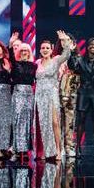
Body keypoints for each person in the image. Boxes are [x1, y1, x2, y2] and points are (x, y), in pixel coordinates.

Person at [35, 31, 73, 161]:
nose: (45, 50)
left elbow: (66, 55)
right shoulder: (37, 63)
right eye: (43, 48)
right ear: (40, 50)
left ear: (51, 50)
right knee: (43, 124)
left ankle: (58, 149)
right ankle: (46, 151)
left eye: (47, 48)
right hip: (40, 96)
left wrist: (65, 41)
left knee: (55, 122)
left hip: (51, 94)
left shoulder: (56, 60)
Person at [68, 37, 94, 156]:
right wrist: (71, 53)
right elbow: (72, 67)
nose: (93, 46)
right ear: (87, 46)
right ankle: (78, 147)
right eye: (92, 44)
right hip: (83, 93)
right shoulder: (80, 60)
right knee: (81, 120)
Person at [8, 33, 37, 161]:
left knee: (27, 122)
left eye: (26, 50)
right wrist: (11, 44)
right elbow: (10, 55)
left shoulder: (34, 66)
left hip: (29, 94)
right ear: (19, 52)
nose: (24, 52)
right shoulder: (15, 64)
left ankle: (24, 150)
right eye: (22, 50)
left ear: (29, 52)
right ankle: (16, 149)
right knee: (17, 120)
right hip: (18, 93)